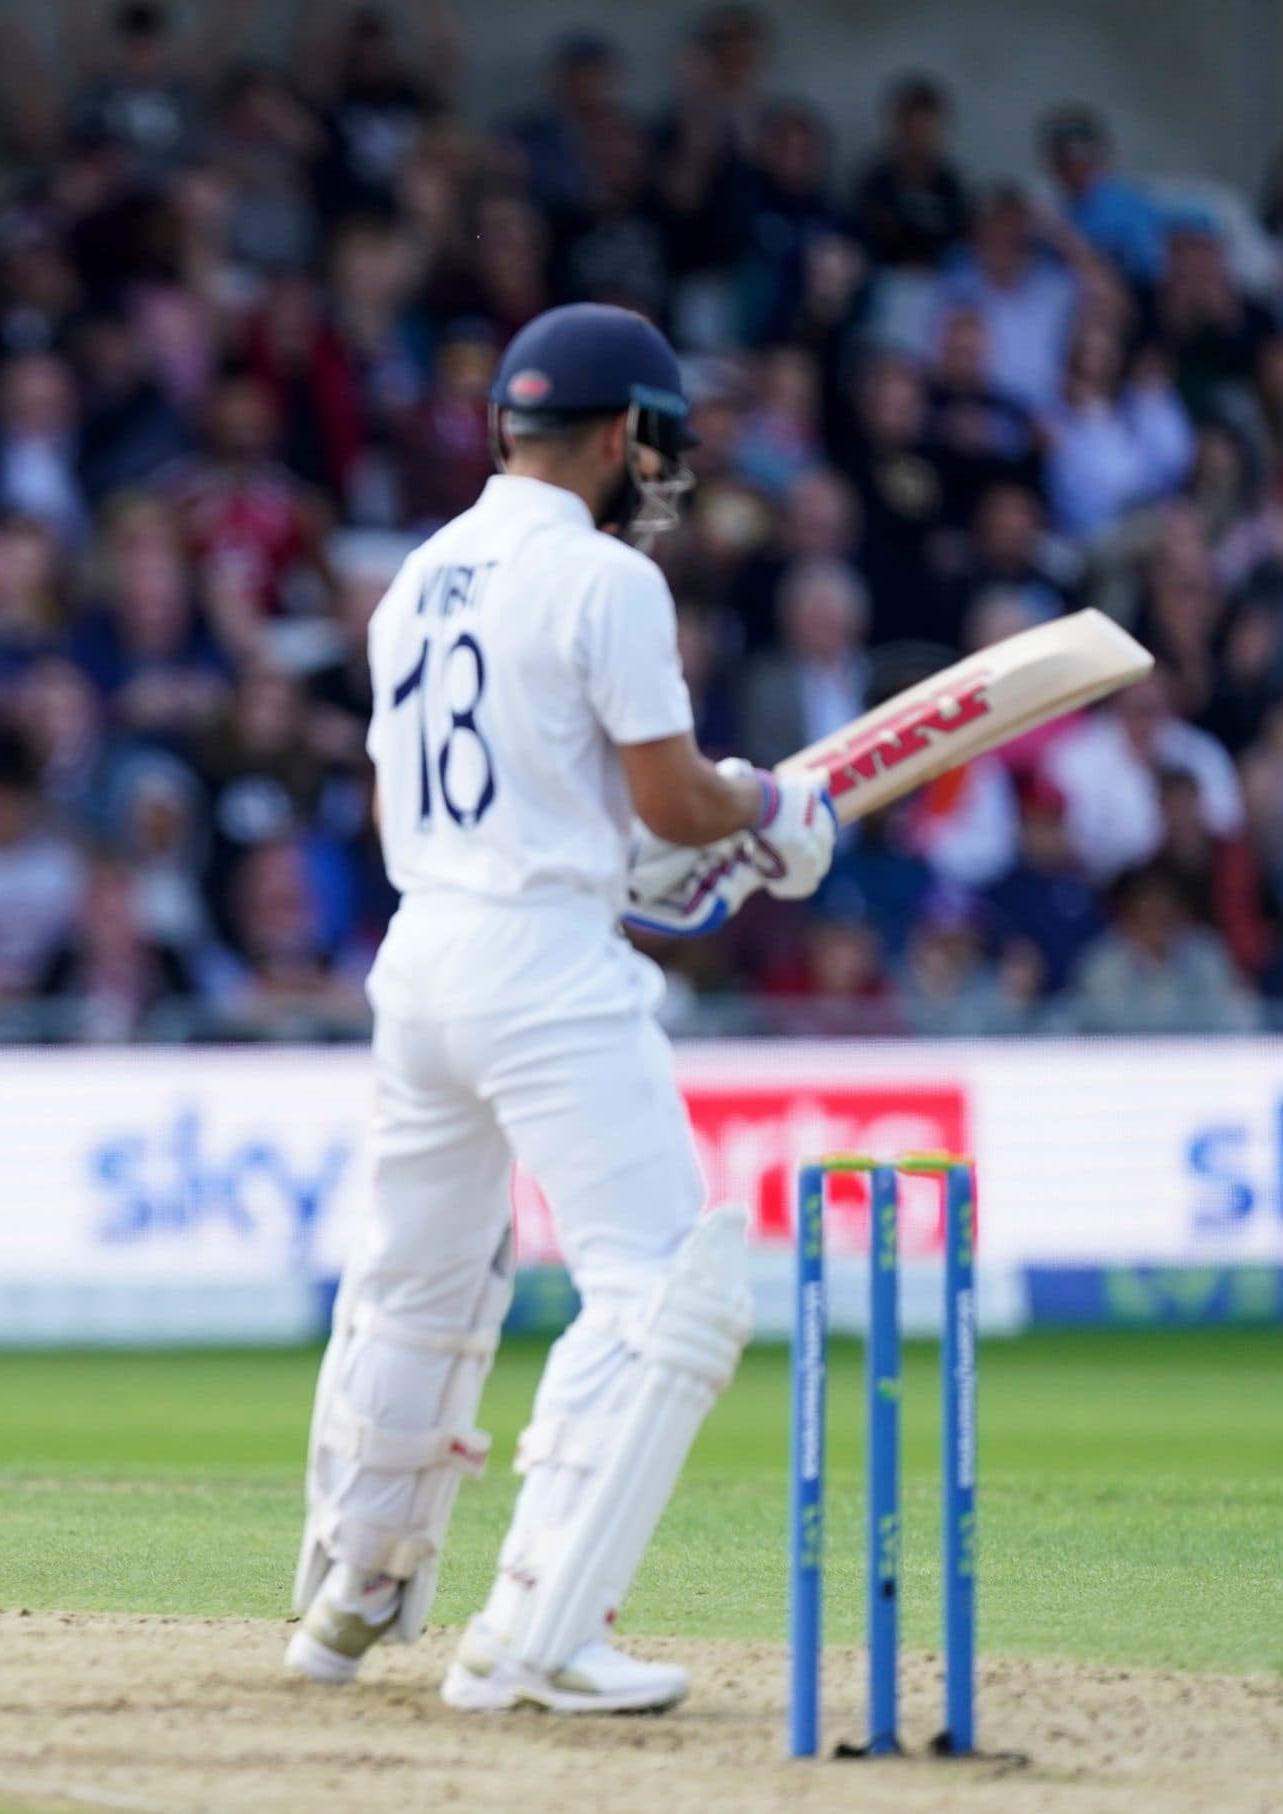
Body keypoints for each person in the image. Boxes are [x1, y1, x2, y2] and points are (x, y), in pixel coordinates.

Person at [286, 305, 836, 1715]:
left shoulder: (413, 575)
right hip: (541, 962)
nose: (660, 472)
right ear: (616, 436)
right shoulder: (607, 581)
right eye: (656, 443)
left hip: (423, 952)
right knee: (664, 1287)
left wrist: (655, 849)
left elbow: (549, 795)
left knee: (418, 1283)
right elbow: (670, 796)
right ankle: (540, 1628)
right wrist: (768, 812)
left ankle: (352, 1589)